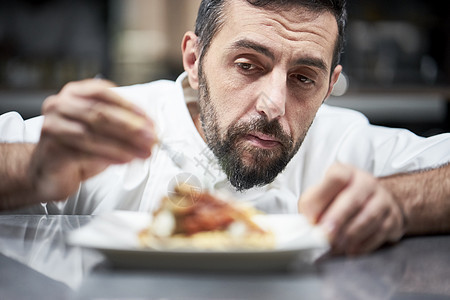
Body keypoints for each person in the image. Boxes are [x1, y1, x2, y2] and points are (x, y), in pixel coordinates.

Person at [0, 0, 449, 256]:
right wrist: (32, 170)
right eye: (248, 65)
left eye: (303, 78)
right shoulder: (109, 130)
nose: (274, 106)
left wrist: (399, 200)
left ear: (330, 85)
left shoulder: (347, 143)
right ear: (194, 62)